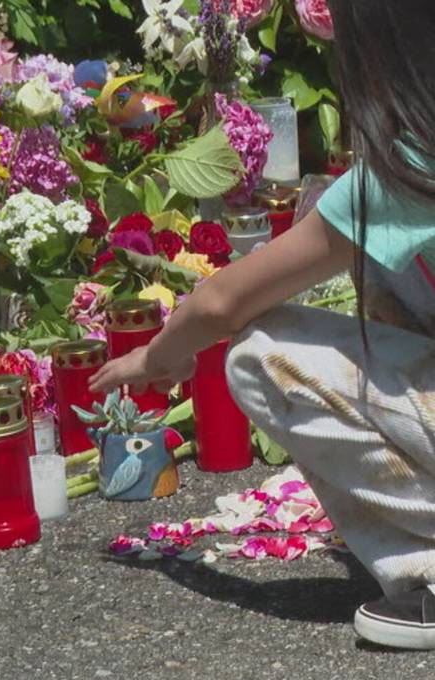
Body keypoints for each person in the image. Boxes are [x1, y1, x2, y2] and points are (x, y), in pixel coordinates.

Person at [90, 0, 435, 651]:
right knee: (383, 270)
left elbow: (224, 304)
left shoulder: (409, 168)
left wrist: (156, 357)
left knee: (260, 353)